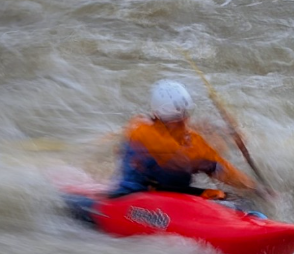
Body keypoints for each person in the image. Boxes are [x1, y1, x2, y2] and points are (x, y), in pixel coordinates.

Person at [64, 80, 269, 224]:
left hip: (177, 197)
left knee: (240, 202)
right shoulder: (143, 131)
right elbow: (185, 158)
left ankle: (256, 222)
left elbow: (221, 169)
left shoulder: (183, 138)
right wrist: (217, 139)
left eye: (184, 119)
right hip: (135, 196)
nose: (182, 124)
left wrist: (255, 188)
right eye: (177, 121)